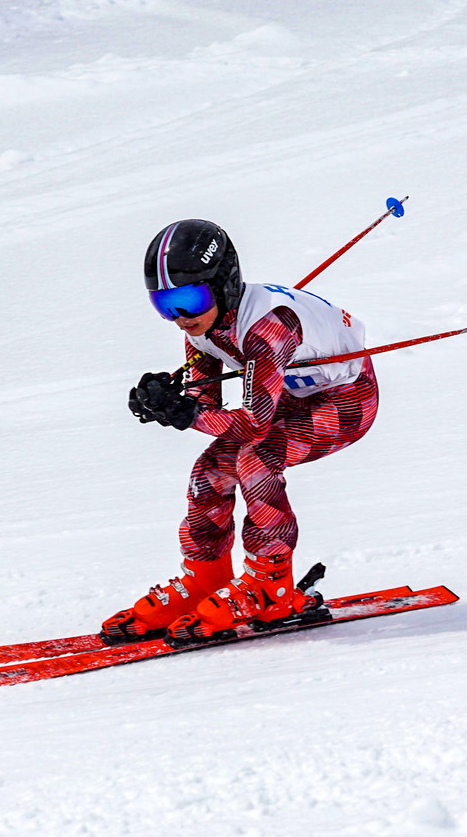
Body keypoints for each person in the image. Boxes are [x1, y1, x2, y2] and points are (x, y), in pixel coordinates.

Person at [101, 219, 380, 646]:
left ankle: (273, 589)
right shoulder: (202, 327)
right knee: (209, 471)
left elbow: (251, 425)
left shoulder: (270, 328)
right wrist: (169, 398)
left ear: (223, 285)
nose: (179, 317)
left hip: (344, 402)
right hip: (286, 396)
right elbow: (209, 404)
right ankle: (204, 579)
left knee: (257, 459)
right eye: (164, 304)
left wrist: (184, 412)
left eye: (189, 299)